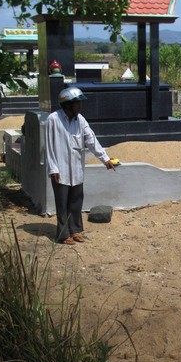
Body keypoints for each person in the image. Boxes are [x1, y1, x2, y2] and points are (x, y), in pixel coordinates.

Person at [45, 87, 114, 245]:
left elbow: (91, 140)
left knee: (76, 202)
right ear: (68, 104)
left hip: (76, 169)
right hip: (60, 169)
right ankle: (63, 235)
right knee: (62, 203)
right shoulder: (53, 119)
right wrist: (53, 168)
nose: (80, 106)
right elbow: (49, 146)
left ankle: (74, 230)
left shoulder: (80, 120)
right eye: (77, 103)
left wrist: (105, 159)